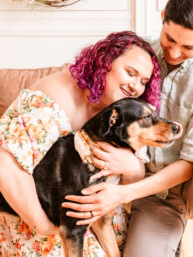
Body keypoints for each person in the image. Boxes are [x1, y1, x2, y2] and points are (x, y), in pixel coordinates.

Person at [63, 0, 193, 257]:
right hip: (145, 195)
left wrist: (122, 194)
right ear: (162, 16)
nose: (173, 53)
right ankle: (167, 241)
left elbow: (188, 164)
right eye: (170, 39)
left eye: (188, 47)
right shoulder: (138, 55)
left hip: (191, 188)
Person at [0, 31, 161, 256]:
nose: (135, 86)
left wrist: (131, 166)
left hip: (97, 214)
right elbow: (5, 164)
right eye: (130, 73)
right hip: (34, 213)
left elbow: (134, 178)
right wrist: (44, 225)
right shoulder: (54, 98)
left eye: (143, 82)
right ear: (106, 63)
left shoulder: (123, 112)